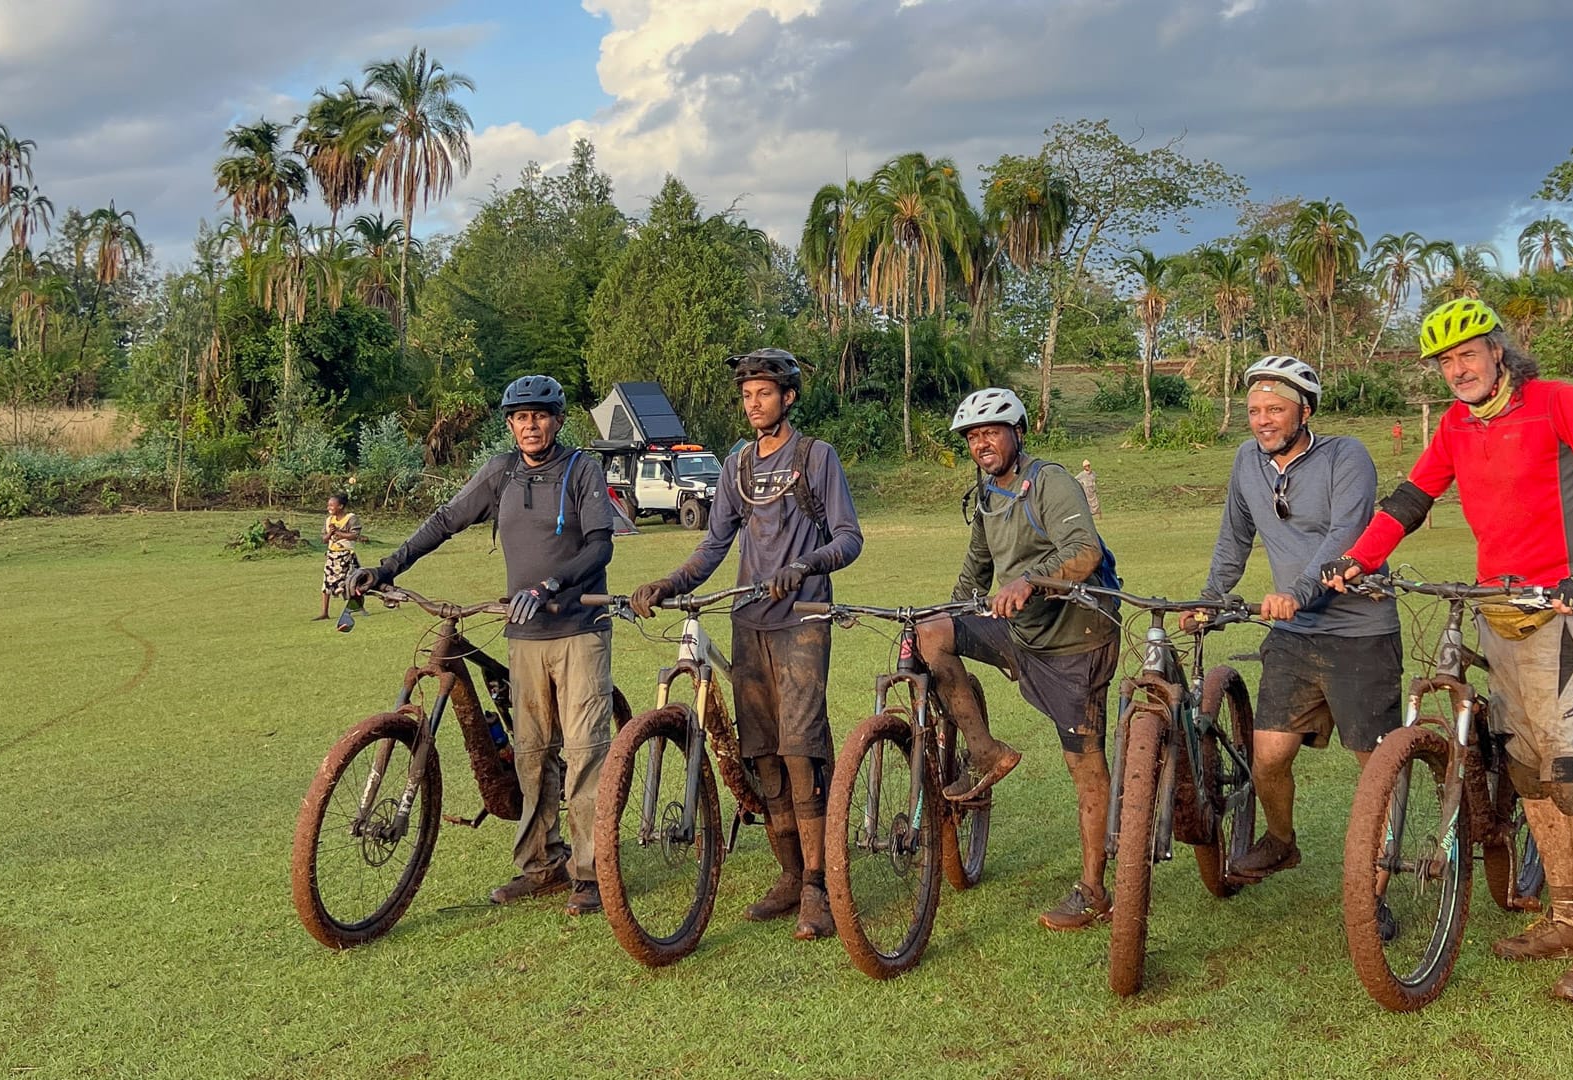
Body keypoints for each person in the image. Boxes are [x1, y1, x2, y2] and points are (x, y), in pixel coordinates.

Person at [1322, 299, 1573, 1005]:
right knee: (1529, 775)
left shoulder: (1556, 403)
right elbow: (1411, 498)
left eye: (1468, 353)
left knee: (1572, 774)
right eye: (1445, 361)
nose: (1457, 370)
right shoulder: (1454, 426)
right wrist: (1359, 557)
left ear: (1499, 351)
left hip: (1564, 614)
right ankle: (1564, 917)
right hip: (1495, 613)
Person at [351, 375, 617, 917]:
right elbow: (445, 520)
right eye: (520, 417)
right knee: (529, 755)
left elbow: (600, 546)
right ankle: (542, 865)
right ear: (510, 424)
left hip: (578, 631)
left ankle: (590, 875)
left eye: (540, 416)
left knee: (585, 754)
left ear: (558, 420)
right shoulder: (501, 473)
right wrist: (386, 568)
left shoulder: (581, 469)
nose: (530, 425)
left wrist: (551, 586)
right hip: (522, 636)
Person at [628, 348, 864, 942]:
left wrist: (806, 564)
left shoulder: (816, 457)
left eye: (764, 393)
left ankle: (818, 886)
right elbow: (714, 546)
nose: (753, 403)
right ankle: (789, 875)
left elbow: (849, 537)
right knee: (762, 755)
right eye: (746, 395)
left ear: (788, 398)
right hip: (749, 621)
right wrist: (670, 582)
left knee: (799, 749)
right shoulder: (733, 467)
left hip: (804, 619)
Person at [1191, 357, 1402, 921]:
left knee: (1375, 766)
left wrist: (1303, 590)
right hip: (1294, 633)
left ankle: (1373, 895)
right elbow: (1233, 537)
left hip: (1359, 631)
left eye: (1275, 410)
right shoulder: (1246, 462)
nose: (1261, 420)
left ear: (1304, 411)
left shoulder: (1346, 456)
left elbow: (1347, 533)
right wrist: (1211, 600)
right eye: (1254, 410)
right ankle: (1281, 841)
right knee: (1268, 757)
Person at [915, 388, 1120, 931]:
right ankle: (987, 753)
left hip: (1077, 639)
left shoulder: (1050, 481)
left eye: (991, 431)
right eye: (973, 436)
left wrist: (1030, 581)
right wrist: (937, 611)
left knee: (1084, 763)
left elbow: (1085, 551)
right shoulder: (986, 495)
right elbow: (974, 573)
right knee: (931, 634)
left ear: (1017, 432)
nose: (982, 443)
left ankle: (1095, 889)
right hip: (1020, 631)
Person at [318, 493, 364, 626]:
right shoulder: (328, 520)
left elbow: (354, 535)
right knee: (326, 585)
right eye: (329, 505)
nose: (329, 507)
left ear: (341, 506)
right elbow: (324, 539)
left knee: (351, 584)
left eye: (332, 505)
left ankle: (359, 607)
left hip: (346, 556)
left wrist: (338, 532)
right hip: (332, 556)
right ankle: (324, 612)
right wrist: (331, 533)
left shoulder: (351, 518)